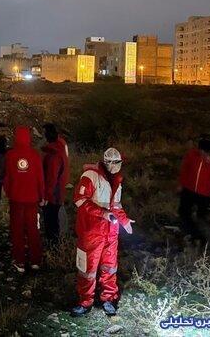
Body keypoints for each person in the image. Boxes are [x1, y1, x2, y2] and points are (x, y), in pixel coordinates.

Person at [71, 148, 135, 317]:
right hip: (91, 231)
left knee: (110, 267)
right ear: (108, 163)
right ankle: (85, 302)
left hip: (110, 232)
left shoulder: (116, 180)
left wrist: (125, 221)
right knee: (87, 269)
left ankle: (108, 299)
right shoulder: (90, 176)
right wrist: (103, 213)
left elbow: (116, 205)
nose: (117, 166)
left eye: (119, 163)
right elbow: (79, 199)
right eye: (115, 163)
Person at [3, 126, 45, 273]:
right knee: (33, 229)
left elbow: (7, 177)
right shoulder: (35, 155)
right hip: (32, 199)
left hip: (16, 199)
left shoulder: (10, 155)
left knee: (17, 230)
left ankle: (20, 261)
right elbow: (40, 178)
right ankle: (35, 261)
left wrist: (8, 192)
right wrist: (42, 196)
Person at [178, 138, 210, 242]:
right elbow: (185, 169)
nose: (203, 154)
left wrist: (209, 164)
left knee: (201, 216)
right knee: (184, 212)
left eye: (206, 152)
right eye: (202, 151)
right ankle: (189, 231)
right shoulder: (192, 155)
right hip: (188, 189)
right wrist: (181, 183)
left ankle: (202, 237)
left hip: (204, 193)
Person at [41, 123, 69, 244]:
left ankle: (54, 247)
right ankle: (56, 244)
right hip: (58, 191)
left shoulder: (53, 154)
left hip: (53, 195)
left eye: (43, 134)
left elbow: (51, 177)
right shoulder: (60, 147)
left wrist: (46, 196)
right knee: (54, 220)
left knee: (51, 222)